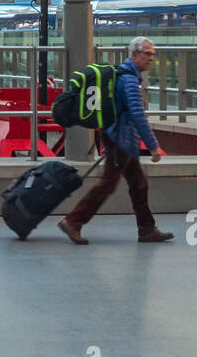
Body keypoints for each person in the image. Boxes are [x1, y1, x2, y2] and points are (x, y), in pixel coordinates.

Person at [59, 36, 172, 244]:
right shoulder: (128, 80)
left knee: (139, 184)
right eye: (147, 53)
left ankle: (147, 229)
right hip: (120, 139)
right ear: (135, 54)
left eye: (152, 54)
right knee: (107, 185)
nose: (150, 58)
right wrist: (154, 146)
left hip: (122, 139)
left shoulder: (127, 76)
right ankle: (73, 221)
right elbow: (137, 114)